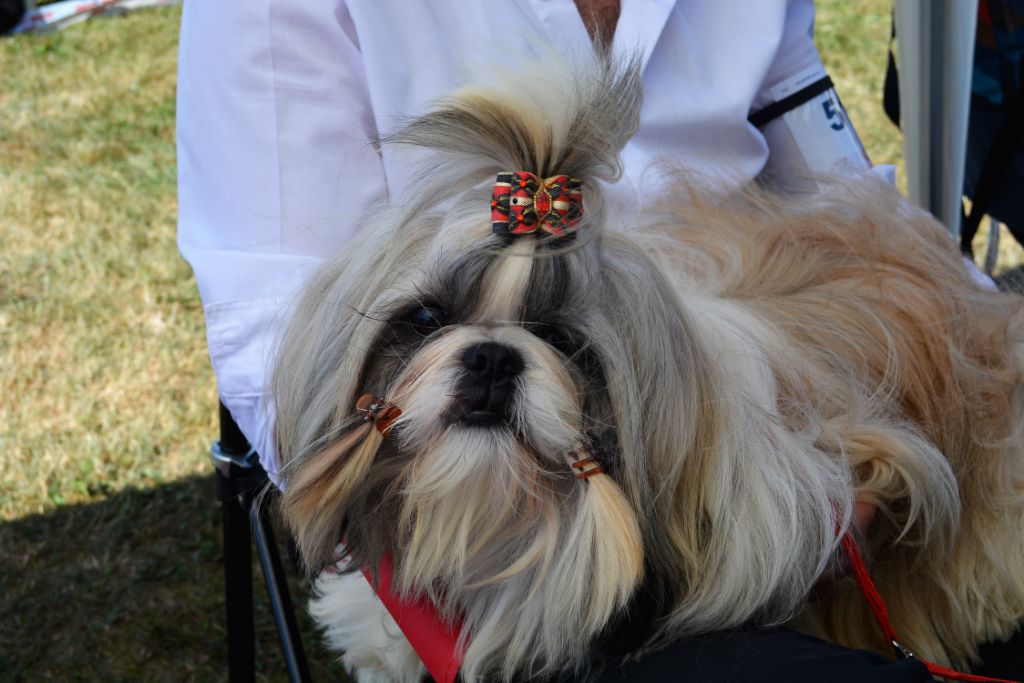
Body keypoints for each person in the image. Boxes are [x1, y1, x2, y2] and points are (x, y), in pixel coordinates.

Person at [176, 2, 938, 680]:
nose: (489, 360)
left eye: (557, 344)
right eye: (430, 326)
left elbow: (830, 167)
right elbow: (271, 316)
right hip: (568, 570)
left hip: (712, 478)